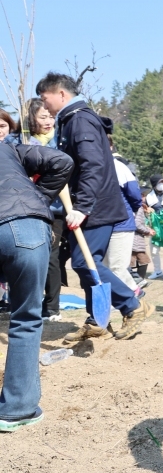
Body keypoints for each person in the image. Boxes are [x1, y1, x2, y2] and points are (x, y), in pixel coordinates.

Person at [38, 72, 153, 342]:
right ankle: (97, 320)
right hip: (87, 206)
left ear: (61, 94)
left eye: (45, 99)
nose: (45, 106)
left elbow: (93, 165)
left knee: (84, 263)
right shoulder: (71, 120)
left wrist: (84, 206)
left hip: (95, 207)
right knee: (86, 263)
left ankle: (133, 305)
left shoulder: (79, 120)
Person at [0, 141, 73, 431]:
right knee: (25, 318)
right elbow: (62, 162)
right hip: (26, 225)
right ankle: (17, 408)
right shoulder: (10, 149)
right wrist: (38, 198)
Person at [24, 98, 66, 321]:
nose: (48, 121)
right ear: (32, 119)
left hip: (56, 209)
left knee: (51, 256)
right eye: (43, 117)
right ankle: (30, 300)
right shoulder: (26, 144)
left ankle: (52, 306)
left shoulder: (59, 143)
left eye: (50, 116)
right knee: (31, 256)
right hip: (31, 208)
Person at [107, 150, 143, 291]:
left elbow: (135, 196)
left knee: (117, 266)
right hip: (102, 226)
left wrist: (130, 212)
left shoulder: (119, 167)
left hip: (121, 224)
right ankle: (130, 292)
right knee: (106, 267)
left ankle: (131, 293)